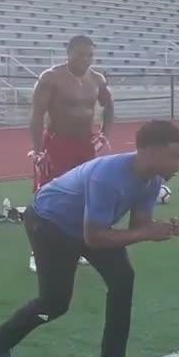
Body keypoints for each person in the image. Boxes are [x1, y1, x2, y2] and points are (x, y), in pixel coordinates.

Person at [0, 120, 179, 357]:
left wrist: (161, 230)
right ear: (149, 152)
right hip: (50, 223)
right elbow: (96, 238)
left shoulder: (152, 180)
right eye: (174, 156)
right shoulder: (108, 177)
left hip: (90, 227)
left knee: (123, 279)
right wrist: (146, 233)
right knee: (55, 302)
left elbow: (139, 225)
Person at [28, 35, 114, 271]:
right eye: (80, 55)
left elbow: (109, 106)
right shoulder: (51, 77)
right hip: (57, 143)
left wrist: (105, 135)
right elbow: (36, 116)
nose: (85, 60)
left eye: (89, 55)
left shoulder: (97, 79)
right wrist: (38, 152)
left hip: (84, 145)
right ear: (68, 53)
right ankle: (37, 251)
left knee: (82, 195)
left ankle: (74, 248)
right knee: (47, 196)